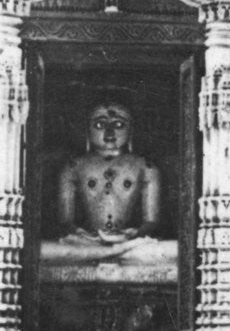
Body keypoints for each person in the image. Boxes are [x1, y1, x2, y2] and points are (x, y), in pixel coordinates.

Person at [57, 97, 161, 258]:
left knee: (166, 249)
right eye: (100, 124)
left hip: (130, 243)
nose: (110, 133)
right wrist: (82, 233)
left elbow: (151, 221)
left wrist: (134, 233)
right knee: (48, 249)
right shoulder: (73, 167)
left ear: (130, 130)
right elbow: (65, 220)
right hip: (86, 242)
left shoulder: (146, 167)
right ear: (88, 130)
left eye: (119, 124)